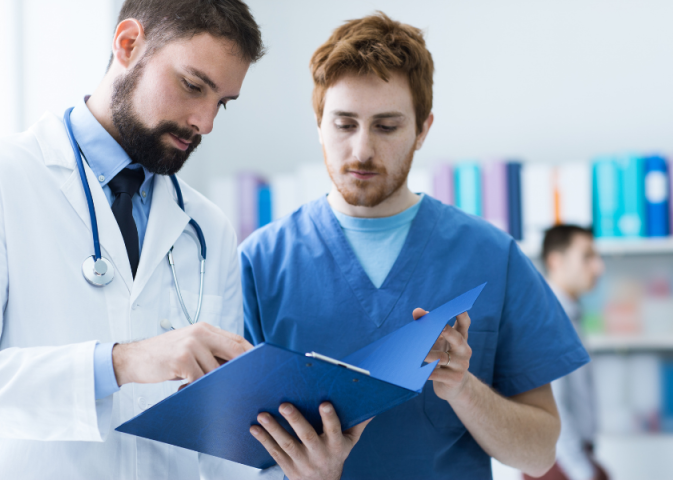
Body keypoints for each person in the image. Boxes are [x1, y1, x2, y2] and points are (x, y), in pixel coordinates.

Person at [238, 12, 591, 480]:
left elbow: (540, 453)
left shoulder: (491, 256)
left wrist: (462, 387)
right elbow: (224, 454)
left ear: (423, 129)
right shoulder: (262, 263)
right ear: (319, 122)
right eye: (344, 124)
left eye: (386, 127)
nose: (362, 150)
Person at [0, 1, 272, 478]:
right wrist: (120, 363)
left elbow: (221, 444)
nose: (205, 123)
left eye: (221, 103)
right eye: (192, 86)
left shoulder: (208, 229)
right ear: (128, 45)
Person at [526, 225, 608, 480]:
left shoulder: (570, 312)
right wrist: (582, 472)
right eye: (587, 257)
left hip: (571, 457)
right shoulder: (547, 317)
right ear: (556, 261)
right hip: (558, 463)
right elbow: (554, 405)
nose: (598, 267)